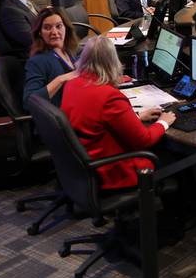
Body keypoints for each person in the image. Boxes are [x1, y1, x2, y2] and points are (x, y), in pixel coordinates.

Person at [61, 36, 176, 190]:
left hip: (84, 166)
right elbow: (144, 140)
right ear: (113, 62)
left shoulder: (72, 85)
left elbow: (95, 120)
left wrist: (136, 117)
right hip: (113, 171)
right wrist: (164, 122)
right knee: (175, 155)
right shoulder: (110, 96)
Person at [22, 6, 79, 110]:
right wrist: (61, 79)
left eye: (59, 26)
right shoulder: (37, 61)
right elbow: (29, 101)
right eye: (47, 28)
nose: (54, 32)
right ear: (39, 32)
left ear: (66, 28)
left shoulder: (69, 52)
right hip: (60, 121)